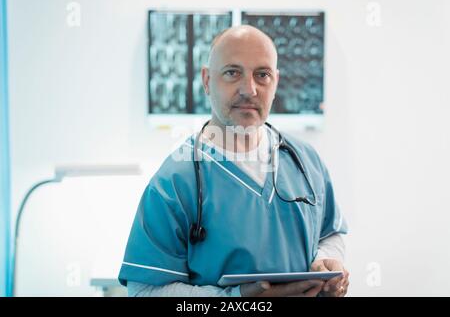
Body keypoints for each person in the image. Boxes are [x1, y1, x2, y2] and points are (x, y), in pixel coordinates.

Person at [118, 25, 349, 297]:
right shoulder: (175, 182)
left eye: (261, 75)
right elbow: (143, 291)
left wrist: (327, 262)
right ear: (206, 80)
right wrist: (234, 300)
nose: (249, 89)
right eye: (232, 73)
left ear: (276, 82)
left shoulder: (304, 160)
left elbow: (329, 233)